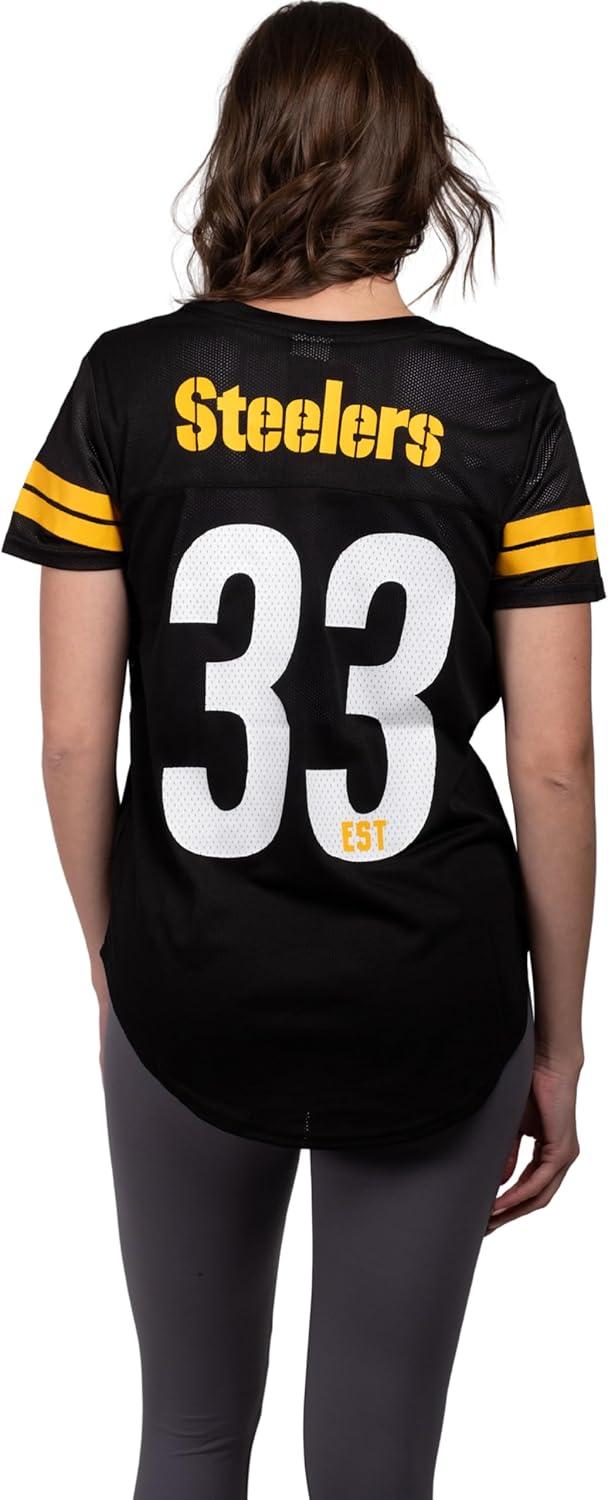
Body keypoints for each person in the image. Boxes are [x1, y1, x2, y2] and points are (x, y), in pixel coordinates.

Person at [3, 3, 604, 1497]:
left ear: (247, 153)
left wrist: (113, 956)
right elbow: (555, 765)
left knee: (190, 1436)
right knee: (374, 1463)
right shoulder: (506, 412)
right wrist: (561, 1037)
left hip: (190, 969)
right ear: (417, 167)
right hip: (437, 986)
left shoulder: (126, 385)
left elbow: (73, 735)